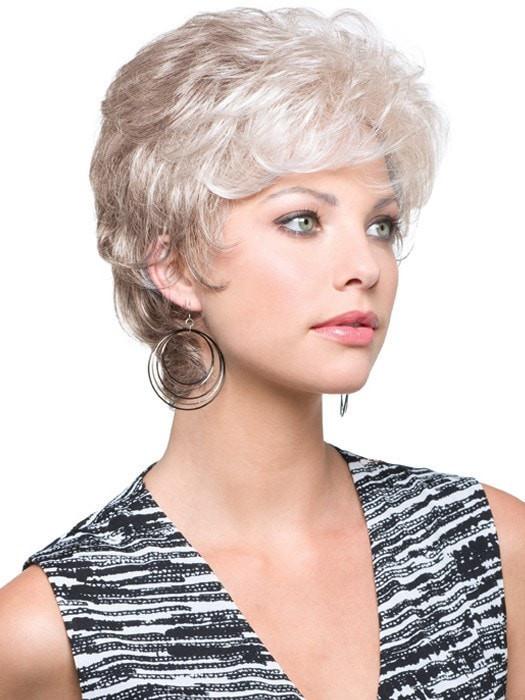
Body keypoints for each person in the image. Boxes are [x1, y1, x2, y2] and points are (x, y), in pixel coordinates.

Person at [0, 6, 523, 699]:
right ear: (174, 266)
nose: (364, 266)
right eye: (302, 220)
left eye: (380, 225)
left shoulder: (487, 550)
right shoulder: (49, 632)